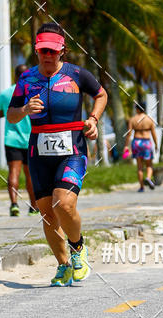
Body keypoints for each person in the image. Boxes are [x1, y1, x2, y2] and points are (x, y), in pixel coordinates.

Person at [7, 23, 107, 286]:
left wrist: (93, 119)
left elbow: (101, 94)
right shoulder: (26, 79)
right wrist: (26, 108)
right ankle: (63, 265)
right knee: (47, 213)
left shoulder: (77, 74)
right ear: (36, 51)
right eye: (43, 51)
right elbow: (11, 115)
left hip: (72, 149)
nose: (47, 56)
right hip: (38, 151)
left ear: (62, 50)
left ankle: (78, 248)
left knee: (63, 204)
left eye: (52, 51)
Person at [0, 64, 38, 216]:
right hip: (31, 138)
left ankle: (14, 205)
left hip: (11, 139)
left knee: (13, 172)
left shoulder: (5, 94)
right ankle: (33, 207)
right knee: (30, 174)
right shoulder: (34, 94)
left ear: (14, 76)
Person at [123, 103, 158, 191]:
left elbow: (129, 134)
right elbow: (153, 134)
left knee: (139, 166)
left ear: (137, 109)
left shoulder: (133, 119)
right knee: (149, 164)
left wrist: (126, 146)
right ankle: (148, 178)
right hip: (146, 142)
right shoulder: (149, 119)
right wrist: (156, 144)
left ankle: (142, 187)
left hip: (137, 142)